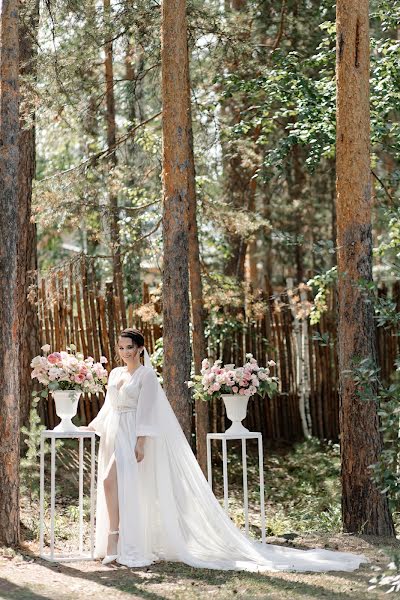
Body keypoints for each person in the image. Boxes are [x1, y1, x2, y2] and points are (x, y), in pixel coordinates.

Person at [84, 327, 367, 572]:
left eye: (129, 347)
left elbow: (147, 410)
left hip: (133, 432)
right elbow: (109, 406)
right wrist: (94, 426)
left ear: (140, 348)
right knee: (115, 484)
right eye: (121, 348)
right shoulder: (116, 373)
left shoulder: (146, 375)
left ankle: (116, 539)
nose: (125, 352)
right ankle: (116, 540)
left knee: (115, 482)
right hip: (115, 431)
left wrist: (141, 440)